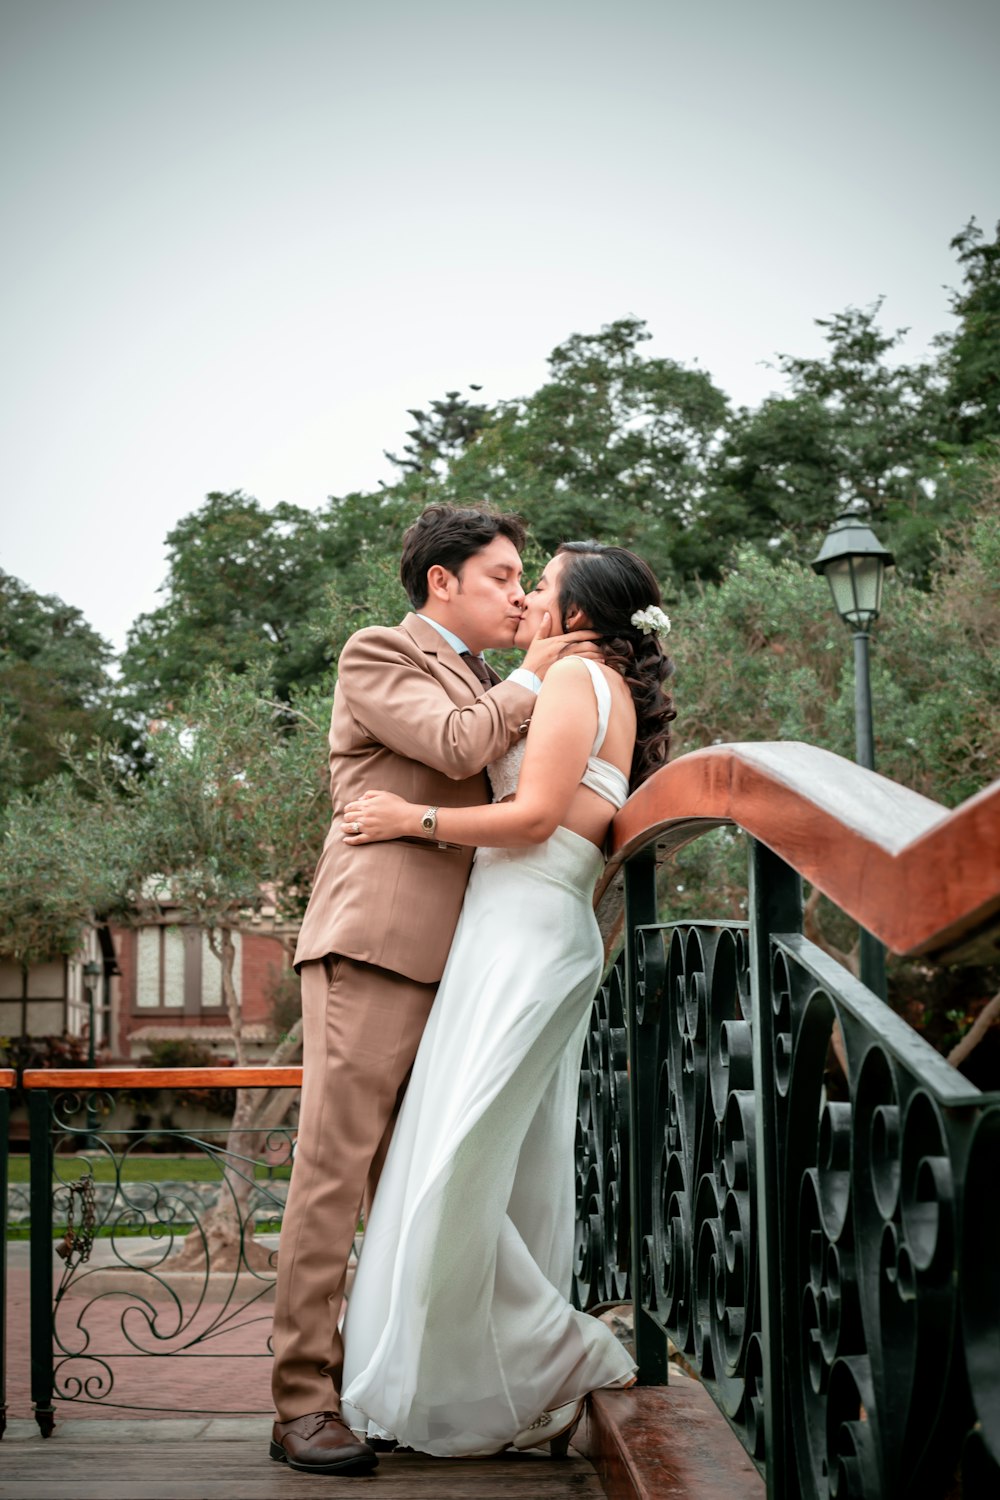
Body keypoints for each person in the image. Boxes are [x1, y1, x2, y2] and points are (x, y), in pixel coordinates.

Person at [269, 504, 598, 1478]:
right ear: (441, 581)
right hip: (374, 948)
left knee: (432, 1185)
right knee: (335, 1176)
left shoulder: (497, 682)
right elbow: (456, 747)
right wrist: (538, 676)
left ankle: (420, 1385)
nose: (519, 592)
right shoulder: (379, 652)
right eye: (502, 575)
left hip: (462, 973)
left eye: (525, 576)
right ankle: (300, 1405)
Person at [337, 541, 675, 1460]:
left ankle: (559, 1354)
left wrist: (414, 820)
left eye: (544, 586)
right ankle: (482, 1379)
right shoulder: (600, 684)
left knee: (453, 1169)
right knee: (495, 1168)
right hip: (518, 931)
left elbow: (535, 820)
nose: (525, 598)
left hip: (521, 935)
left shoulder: (573, 683)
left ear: (578, 615)